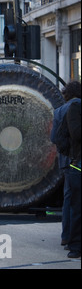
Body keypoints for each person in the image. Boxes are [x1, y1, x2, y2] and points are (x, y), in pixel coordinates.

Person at [51, 81, 81, 258]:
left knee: (70, 199)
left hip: (67, 159)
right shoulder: (76, 107)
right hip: (77, 159)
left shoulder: (59, 111)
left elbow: (54, 137)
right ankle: (73, 240)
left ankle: (66, 237)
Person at [65, 92, 81, 259]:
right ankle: (75, 245)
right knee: (77, 209)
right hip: (78, 167)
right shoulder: (76, 107)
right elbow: (76, 133)